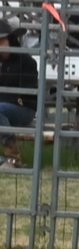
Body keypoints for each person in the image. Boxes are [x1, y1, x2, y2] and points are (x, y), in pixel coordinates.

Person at [0, 20, 36, 167]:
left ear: (9, 40)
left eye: (1, 41)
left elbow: (28, 95)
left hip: (23, 108)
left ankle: (13, 156)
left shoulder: (26, 61)